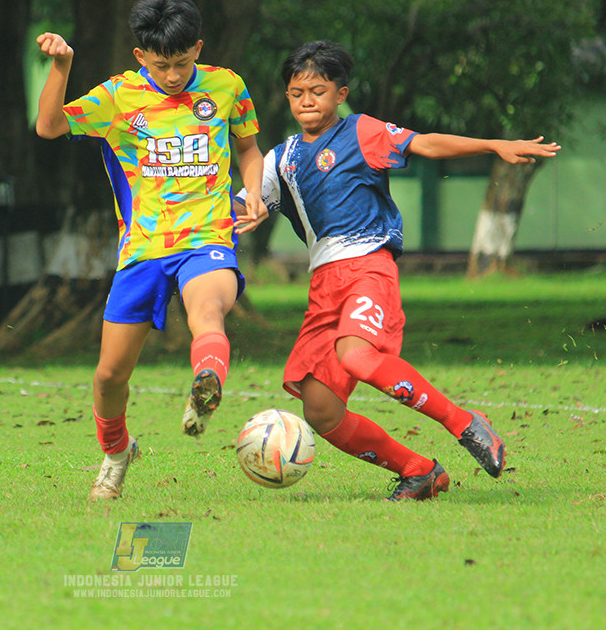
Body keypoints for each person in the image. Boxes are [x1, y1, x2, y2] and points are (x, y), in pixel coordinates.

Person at [239, 40, 560, 501]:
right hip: (323, 284)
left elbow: (425, 142)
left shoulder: (362, 131)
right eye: (296, 92)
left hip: (369, 267)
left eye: (318, 90)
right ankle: (420, 470)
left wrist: (493, 144)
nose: (306, 101)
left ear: (341, 94)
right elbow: (249, 202)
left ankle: (466, 423)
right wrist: (226, 218)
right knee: (321, 410)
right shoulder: (282, 157)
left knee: (358, 357)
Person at [35, 0, 267, 500]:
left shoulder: (227, 87)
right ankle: (117, 451)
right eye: (162, 65)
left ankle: (206, 386)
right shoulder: (118, 97)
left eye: (182, 63)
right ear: (141, 55)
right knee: (109, 376)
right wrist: (62, 65)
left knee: (207, 314)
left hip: (208, 236)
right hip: (142, 249)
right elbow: (48, 127)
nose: (173, 75)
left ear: (198, 51)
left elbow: (249, 149)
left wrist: (253, 191)